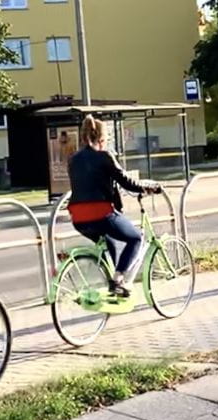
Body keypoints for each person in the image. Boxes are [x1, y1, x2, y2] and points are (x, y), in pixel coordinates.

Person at [67, 115, 162, 298]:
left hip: (78, 218)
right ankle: (118, 280)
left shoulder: (73, 160)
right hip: (101, 214)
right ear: (102, 140)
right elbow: (126, 181)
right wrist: (149, 188)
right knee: (135, 239)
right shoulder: (104, 156)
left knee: (109, 242)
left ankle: (112, 282)